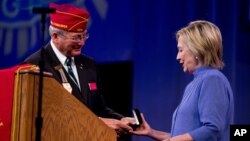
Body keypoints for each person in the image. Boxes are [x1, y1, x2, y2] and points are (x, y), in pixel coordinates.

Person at [23, 3, 135, 137]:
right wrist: (101, 122)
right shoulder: (35, 65)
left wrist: (120, 120)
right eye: (76, 37)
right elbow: (48, 114)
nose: (82, 42)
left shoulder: (89, 64)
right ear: (55, 36)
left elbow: (98, 108)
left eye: (84, 36)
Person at [131, 20, 234, 141]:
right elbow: (186, 136)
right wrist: (151, 132)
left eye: (180, 50)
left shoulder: (213, 79)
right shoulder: (195, 84)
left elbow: (212, 129)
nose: (177, 57)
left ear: (197, 50)